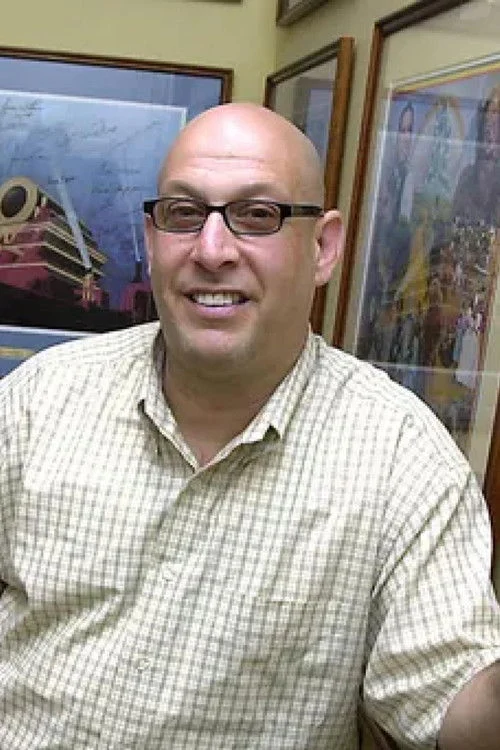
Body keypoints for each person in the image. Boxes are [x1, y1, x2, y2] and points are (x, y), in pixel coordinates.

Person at [0, 102, 500, 750]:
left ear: (323, 247)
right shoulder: (41, 399)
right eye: (184, 213)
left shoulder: (403, 460)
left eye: (258, 215)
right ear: (152, 238)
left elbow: (450, 703)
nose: (211, 251)